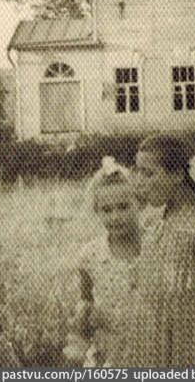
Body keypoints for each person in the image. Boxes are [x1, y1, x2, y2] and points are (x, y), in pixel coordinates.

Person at [127, 135, 195, 367]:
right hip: (153, 350)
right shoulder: (154, 226)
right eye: (137, 172)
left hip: (192, 352)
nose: (140, 182)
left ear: (177, 174)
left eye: (148, 173)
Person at [63, 157, 142, 367]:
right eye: (107, 210)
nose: (116, 216)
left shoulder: (155, 245)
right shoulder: (91, 255)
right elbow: (86, 299)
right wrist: (85, 316)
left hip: (152, 349)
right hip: (109, 352)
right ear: (97, 211)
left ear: (138, 203)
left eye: (123, 207)